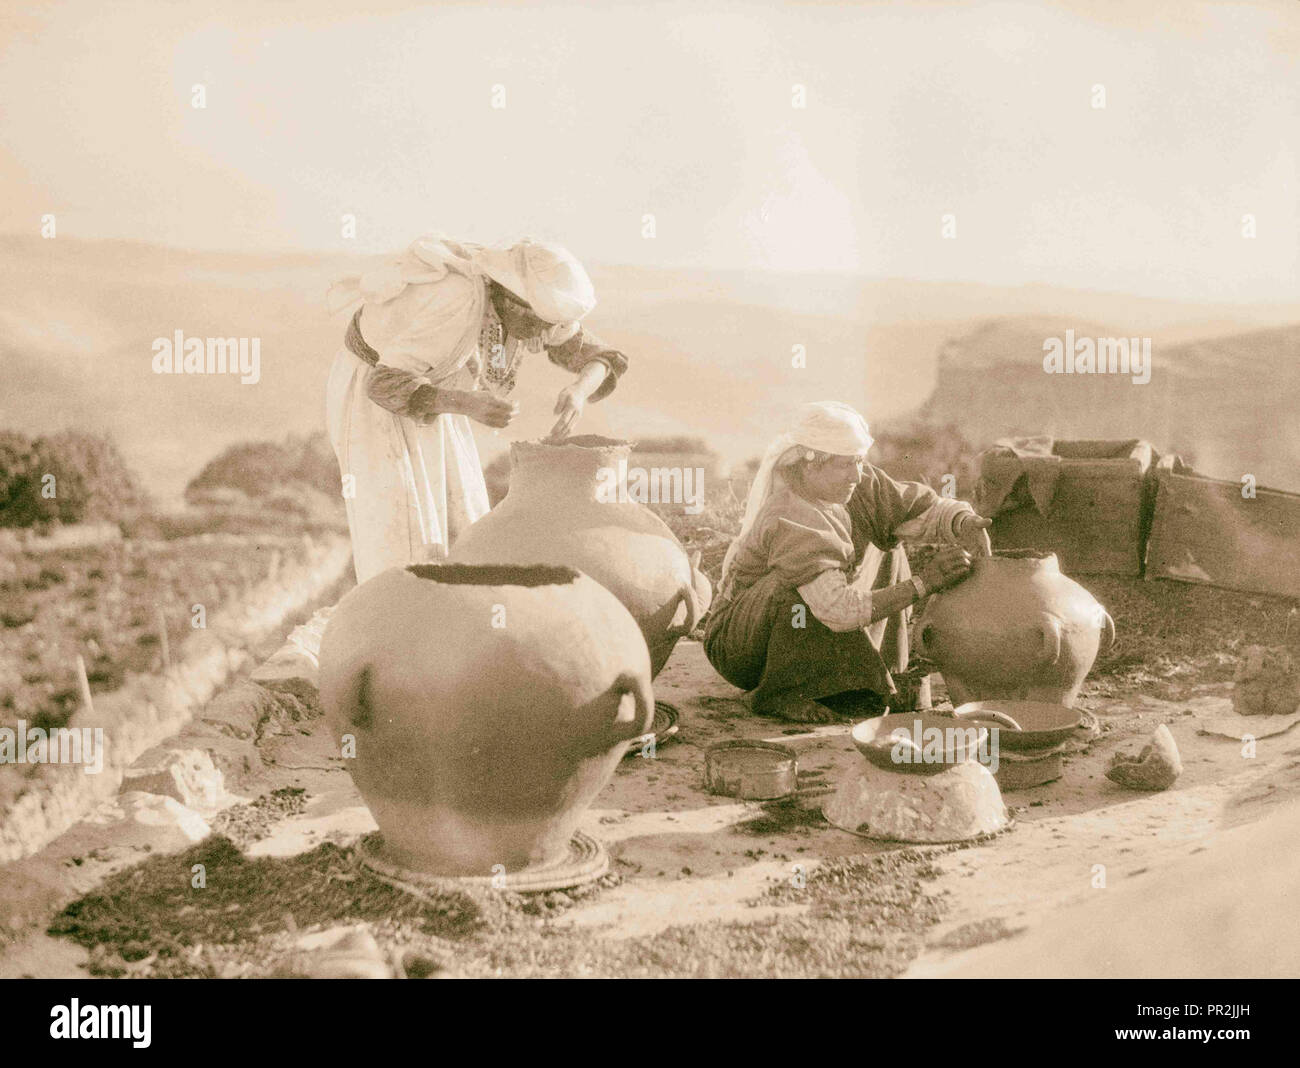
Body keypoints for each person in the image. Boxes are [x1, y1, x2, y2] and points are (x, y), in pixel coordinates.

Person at [324, 235, 628, 582]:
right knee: (405, 536)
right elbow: (383, 385)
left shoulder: (526, 306)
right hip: (377, 404)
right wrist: (467, 404)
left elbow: (598, 355)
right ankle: (401, 625)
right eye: (542, 326)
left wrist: (578, 390)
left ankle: (453, 621)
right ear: (515, 305)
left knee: (463, 522)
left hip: (435, 396)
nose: (544, 337)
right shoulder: (457, 302)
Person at [703, 401, 993, 722]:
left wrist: (962, 522)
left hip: (814, 612)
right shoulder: (793, 513)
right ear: (810, 465)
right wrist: (924, 583)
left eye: (859, 461)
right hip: (741, 648)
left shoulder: (850, 483)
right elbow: (839, 612)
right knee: (795, 592)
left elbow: (914, 509)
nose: (857, 474)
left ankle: (887, 673)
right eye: (846, 465)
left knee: (887, 545)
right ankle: (780, 693)